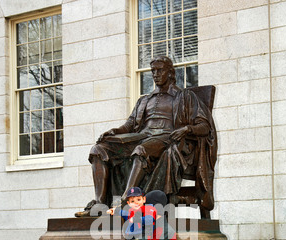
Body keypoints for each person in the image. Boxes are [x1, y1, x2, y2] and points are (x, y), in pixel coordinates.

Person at [75, 55, 216, 218]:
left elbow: (204, 126)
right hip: (141, 136)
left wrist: (187, 129)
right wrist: (114, 131)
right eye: (153, 71)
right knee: (99, 149)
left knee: (141, 150)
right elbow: (129, 125)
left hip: (168, 138)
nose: (155, 74)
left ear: (170, 73)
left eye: (160, 70)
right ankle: (100, 203)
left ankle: (125, 202)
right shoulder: (144, 100)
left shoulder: (185, 97)